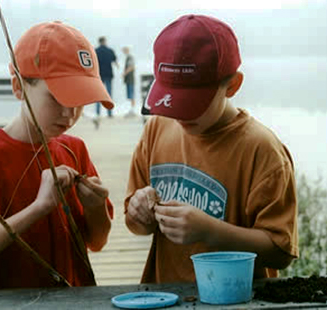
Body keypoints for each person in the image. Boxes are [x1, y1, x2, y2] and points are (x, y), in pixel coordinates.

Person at [125, 14, 298, 284]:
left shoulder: (262, 150)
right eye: (172, 100)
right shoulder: (157, 128)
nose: (180, 114)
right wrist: (140, 212)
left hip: (238, 298)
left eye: (192, 103)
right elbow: (136, 225)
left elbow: (280, 251)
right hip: (166, 294)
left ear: (232, 85)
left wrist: (210, 231)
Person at [0, 21, 114, 289]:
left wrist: (96, 208)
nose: (69, 113)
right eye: (57, 98)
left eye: (80, 100)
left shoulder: (75, 149)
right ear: (19, 87)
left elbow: (97, 241)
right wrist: (39, 207)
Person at [94, 36, 117, 123]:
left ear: (99, 42)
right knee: (109, 94)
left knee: (98, 95)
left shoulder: (96, 51)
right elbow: (114, 60)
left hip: (99, 75)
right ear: (105, 41)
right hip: (109, 74)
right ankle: (109, 113)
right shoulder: (110, 50)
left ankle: (98, 113)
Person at [122, 46, 136, 117]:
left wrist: (124, 73)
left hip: (130, 79)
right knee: (130, 95)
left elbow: (131, 67)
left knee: (131, 94)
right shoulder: (128, 58)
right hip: (128, 79)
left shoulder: (130, 58)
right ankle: (131, 109)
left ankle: (133, 110)